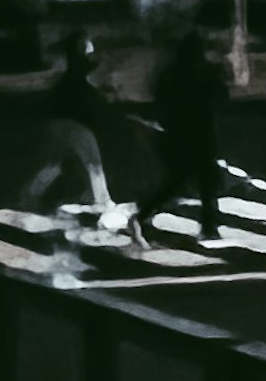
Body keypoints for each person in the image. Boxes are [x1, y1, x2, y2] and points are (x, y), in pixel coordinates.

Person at [19, 32, 130, 235]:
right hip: (75, 126)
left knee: (53, 163)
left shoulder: (68, 71)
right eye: (88, 46)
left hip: (58, 122)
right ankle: (101, 202)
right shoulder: (82, 70)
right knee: (92, 162)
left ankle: (29, 196)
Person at [153, 21, 225, 242]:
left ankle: (144, 215)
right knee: (204, 182)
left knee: (178, 181)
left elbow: (160, 99)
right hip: (201, 134)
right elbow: (222, 96)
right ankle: (209, 226)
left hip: (179, 134)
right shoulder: (206, 73)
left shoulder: (170, 74)